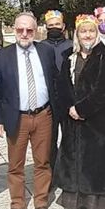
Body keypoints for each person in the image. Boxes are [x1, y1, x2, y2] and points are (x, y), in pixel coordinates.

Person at [0, 13, 58, 209]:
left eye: (29, 30)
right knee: (16, 164)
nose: (25, 34)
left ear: (36, 30)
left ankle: (41, 202)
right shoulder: (2, 56)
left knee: (43, 162)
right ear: (14, 29)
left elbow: (54, 80)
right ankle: (17, 204)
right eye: (20, 30)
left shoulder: (46, 51)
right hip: (16, 117)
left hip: (43, 115)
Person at [54, 14, 105, 209]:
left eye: (91, 31)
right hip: (73, 120)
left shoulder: (103, 56)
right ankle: (77, 202)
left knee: (94, 162)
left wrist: (82, 109)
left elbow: (103, 90)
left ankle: (95, 206)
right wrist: (70, 107)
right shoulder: (69, 57)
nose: (87, 35)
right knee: (75, 161)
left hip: (96, 121)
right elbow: (62, 85)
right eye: (83, 31)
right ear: (77, 34)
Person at [40, 10, 72, 186]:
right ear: (46, 27)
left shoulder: (71, 45)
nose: (54, 28)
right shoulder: (41, 47)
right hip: (49, 102)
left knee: (69, 139)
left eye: (57, 25)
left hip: (68, 100)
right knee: (49, 141)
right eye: (50, 25)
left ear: (63, 26)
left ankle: (68, 175)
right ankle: (50, 177)